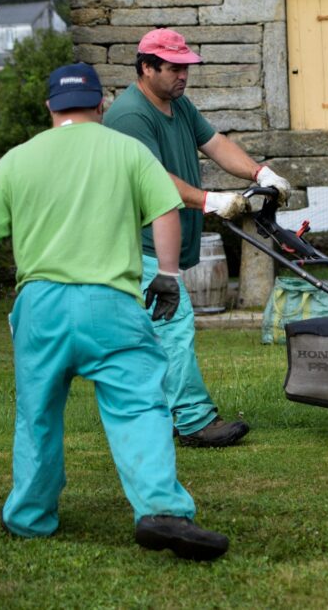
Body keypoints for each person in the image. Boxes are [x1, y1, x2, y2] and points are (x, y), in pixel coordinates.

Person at [0, 63, 229, 561]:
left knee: (38, 413)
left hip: (41, 308)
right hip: (111, 303)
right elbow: (166, 209)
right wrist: (167, 274)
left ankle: (30, 518)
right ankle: (161, 510)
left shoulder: (17, 159)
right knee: (140, 404)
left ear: (50, 108)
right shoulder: (127, 151)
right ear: (100, 105)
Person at [103, 28, 292, 448]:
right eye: (174, 68)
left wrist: (260, 173)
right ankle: (192, 420)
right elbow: (151, 179)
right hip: (139, 245)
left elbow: (215, 144)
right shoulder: (130, 115)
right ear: (146, 68)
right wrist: (209, 201)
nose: (183, 75)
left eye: (186, 67)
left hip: (163, 242)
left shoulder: (178, 105)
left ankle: (151, 412)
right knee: (174, 324)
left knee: (149, 336)